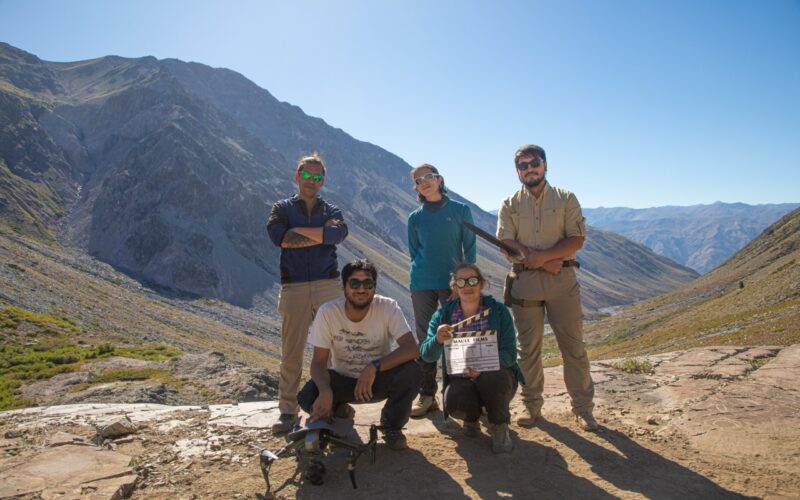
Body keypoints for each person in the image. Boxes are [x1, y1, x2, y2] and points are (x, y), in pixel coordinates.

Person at [496, 144, 598, 431]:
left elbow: (576, 239)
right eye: (523, 165)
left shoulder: (566, 199)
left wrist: (543, 257)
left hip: (562, 282)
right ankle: (532, 407)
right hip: (526, 282)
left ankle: (583, 409)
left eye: (534, 163)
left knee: (573, 347)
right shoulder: (510, 204)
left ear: (545, 164)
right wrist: (541, 261)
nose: (529, 169)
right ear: (518, 171)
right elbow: (507, 244)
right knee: (527, 350)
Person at [297, 259, 422, 449]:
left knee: (412, 372)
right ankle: (340, 413)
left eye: (368, 284)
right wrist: (324, 390)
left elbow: (411, 348)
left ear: (374, 287)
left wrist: (373, 367)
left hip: (377, 381)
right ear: (344, 287)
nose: (361, 289)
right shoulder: (328, 312)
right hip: (342, 380)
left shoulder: (388, 307)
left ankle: (391, 427)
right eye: (354, 283)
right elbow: (319, 361)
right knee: (307, 397)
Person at [266, 152, 348, 434]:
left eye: (317, 176)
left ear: (323, 180)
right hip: (294, 286)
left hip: (328, 283)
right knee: (292, 350)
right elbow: (280, 238)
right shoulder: (281, 207)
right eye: (306, 175)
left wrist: (298, 231)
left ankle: (336, 402)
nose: (311, 180)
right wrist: (318, 233)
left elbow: (337, 235)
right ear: (296, 175)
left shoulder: (332, 210)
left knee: (335, 347)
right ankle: (288, 411)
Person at [419, 263, 523, 453]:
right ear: (455, 286)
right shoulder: (442, 316)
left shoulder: (499, 312)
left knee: (494, 378)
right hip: (461, 378)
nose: (467, 286)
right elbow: (426, 354)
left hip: (495, 376)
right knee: (454, 400)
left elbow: (510, 354)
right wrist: (437, 340)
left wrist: (485, 367)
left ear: (481, 283)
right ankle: (471, 418)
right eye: (461, 281)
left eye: (473, 280)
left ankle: (499, 426)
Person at [407, 164, 477, 417]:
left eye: (428, 177)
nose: (424, 182)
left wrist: (462, 283)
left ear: (438, 179)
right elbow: (414, 251)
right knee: (426, 339)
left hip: (452, 284)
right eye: (418, 180)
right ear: (416, 187)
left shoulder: (460, 210)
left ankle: (460, 394)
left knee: (457, 335)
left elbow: (469, 248)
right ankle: (427, 395)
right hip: (421, 283)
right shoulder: (415, 217)